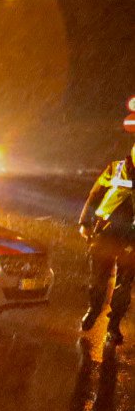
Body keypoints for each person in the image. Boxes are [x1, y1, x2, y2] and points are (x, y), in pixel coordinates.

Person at [79, 138, 135, 344]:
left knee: (124, 286)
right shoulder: (115, 169)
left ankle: (113, 327)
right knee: (97, 279)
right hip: (105, 232)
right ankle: (93, 310)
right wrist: (85, 222)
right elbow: (95, 194)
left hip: (131, 238)